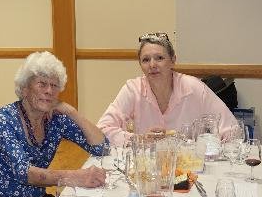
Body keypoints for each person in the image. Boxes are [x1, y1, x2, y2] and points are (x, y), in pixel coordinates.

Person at [0, 51, 107, 197]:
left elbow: (102, 147)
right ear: (25, 89)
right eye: (42, 84)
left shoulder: (56, 120)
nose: (49, 91)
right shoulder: (4, 119)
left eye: (54, 85)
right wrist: (75, 177)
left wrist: (71, 111)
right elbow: (24, 173)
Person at [97, 32, 241, 146]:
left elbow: (233, 131)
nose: (152, 65)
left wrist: (205, 147)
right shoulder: (133, 89)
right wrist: (139, 139)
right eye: (146, 60)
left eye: (159, 58)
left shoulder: (194, 88)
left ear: (173, 60)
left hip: (188, 167)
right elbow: (103, 129)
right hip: (148, 167)